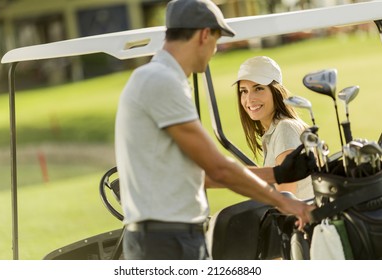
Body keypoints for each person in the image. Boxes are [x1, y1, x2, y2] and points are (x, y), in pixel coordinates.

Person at [115, 0, 315, 260]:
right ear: (204, 34)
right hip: (165, 240)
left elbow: (200, 176)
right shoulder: (161, 82)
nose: (215, 50)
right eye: (216, 41)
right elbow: (217, 168)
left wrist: (276, 172)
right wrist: (285, 201)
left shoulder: (161, 79)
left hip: (170, 235)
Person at [234, 56, 314, 200]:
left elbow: (286, 196)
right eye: (244, 91)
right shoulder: (275, 130)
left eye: (258, 88)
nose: (249, 99)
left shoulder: (285, 129)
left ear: (276, 91)